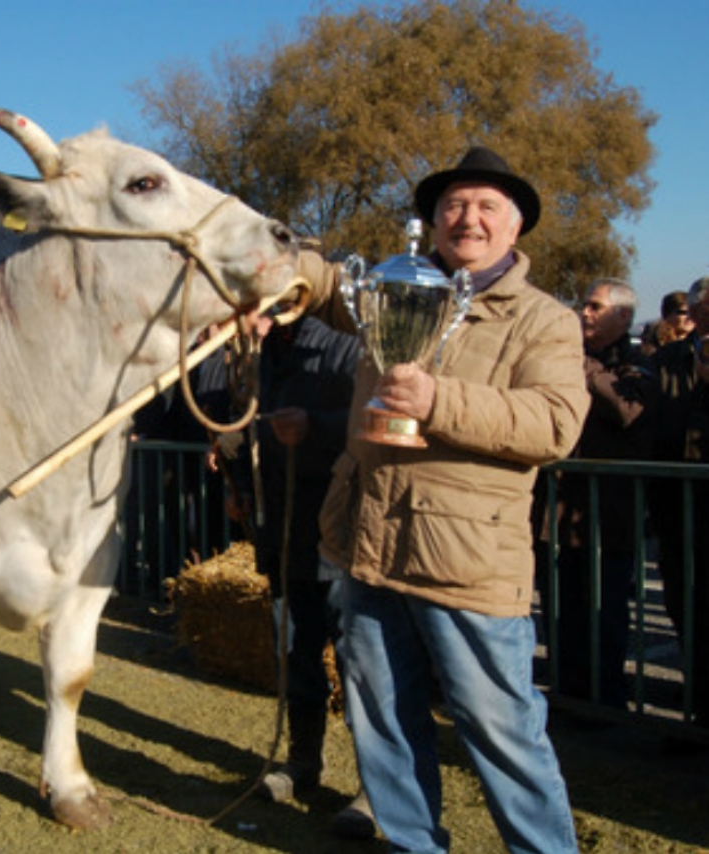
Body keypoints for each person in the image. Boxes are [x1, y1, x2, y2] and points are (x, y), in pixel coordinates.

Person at [319, 146, 590, 853]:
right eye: (452, 206)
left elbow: (554, 424)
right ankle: (412, 845)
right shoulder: (391, 288)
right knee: (382, 722)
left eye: (485, 207)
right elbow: (320, 286)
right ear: (433, 222)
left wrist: (440, 400)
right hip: (370, 545)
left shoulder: (543, 319)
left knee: (500, 730)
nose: (466, 218)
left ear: (515, 226)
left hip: (467, 562)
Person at [224, 293, 368, 818]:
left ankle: (376, 786)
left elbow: (369, 427)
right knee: (296, 653)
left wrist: (314, 427)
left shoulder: (344, 348)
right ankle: (303, 761)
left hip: (337, 537)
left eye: (256, 305)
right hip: (281, 536)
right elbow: (242, 428)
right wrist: (240, 483)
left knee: (360, 662)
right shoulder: (259, 360)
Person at [535, 278, 656, 706]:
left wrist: (580, 366)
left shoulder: (638, 361)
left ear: (623, 316)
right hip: (558, 509)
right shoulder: (566, 358)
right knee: (560, 607)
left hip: (607, 514)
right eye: (583, 305)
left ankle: (606, 699)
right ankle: (569, 693)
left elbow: (627, 409)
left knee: (603, 610)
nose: (584, 313)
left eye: (595, 306)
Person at [649, 276, 709, 727]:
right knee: (683, 604)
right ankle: (695, 703)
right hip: (676, 504)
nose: (695, 314)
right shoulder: (669, 360)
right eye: (695, 306)